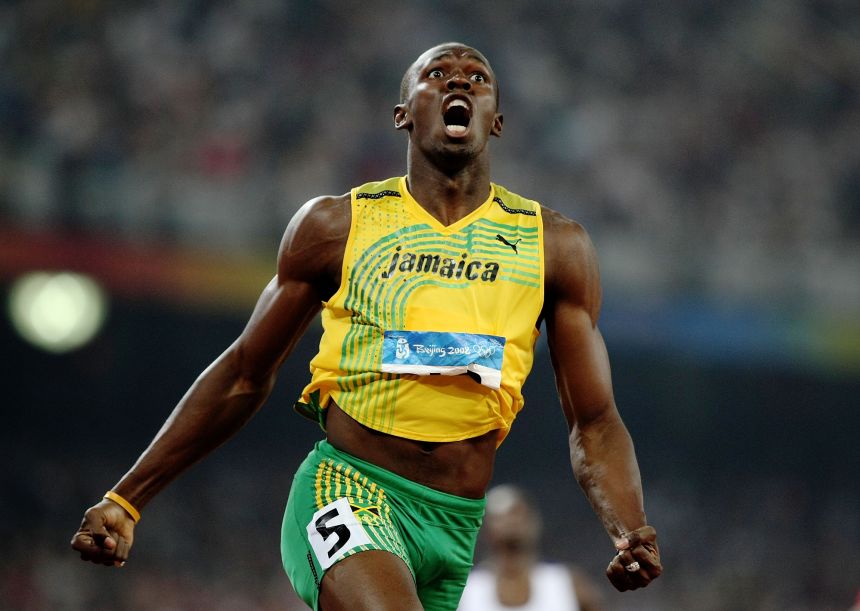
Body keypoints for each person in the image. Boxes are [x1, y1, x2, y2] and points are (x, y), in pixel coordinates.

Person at [71, 42, 662, 610]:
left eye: (478, 77)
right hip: (349, 488)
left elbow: (594, 420)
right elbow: (244, 373)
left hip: (454, 524)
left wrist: (628, 528)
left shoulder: (553, 245)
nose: (459, 79)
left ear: (496, 121)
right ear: (403, 115)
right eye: (437, 74)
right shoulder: (337, 226)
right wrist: (128, 499)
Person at [457, 485, 603, 611]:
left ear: (533, 522)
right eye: (500, 516)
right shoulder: (464, 594)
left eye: (517, 512)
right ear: (485, 529)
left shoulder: (570, 585)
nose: (511, 521)